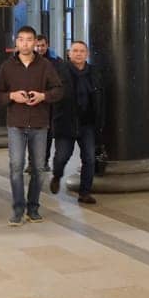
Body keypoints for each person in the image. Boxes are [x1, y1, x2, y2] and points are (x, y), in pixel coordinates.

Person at [0, 26, 63, 225]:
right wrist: (11, 96)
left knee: (38, 168)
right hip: (16, 123)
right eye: (21, 39)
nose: (25, 43)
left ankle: (33, 208)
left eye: (29, 40)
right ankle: (17, 209)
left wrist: (43, 96)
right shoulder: (7, 67)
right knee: (16, 166)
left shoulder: (46, 66)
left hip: (40, 123)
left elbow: (58, 90)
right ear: (16, 42)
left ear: (35, 43)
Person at [51, 41, 102, 204]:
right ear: (69, 53)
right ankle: (57, 175)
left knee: (89, 158)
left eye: (82, 51)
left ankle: (84, 192)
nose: (78, 54)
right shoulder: (60, 71)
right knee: (62, 156)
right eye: (75, 51)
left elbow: (100, 97)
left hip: (87, 123)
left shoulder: (94, 72)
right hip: (66, 122)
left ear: (87, 54)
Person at [35, 35, 64, 172]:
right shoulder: (28, 59)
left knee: (47, 132)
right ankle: (33, 161)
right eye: (38, 45)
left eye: (42, 45)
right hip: (34, 101)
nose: (40, 48)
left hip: (49, 101)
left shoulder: (56, 62)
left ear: (47, 45)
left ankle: (44, 160)